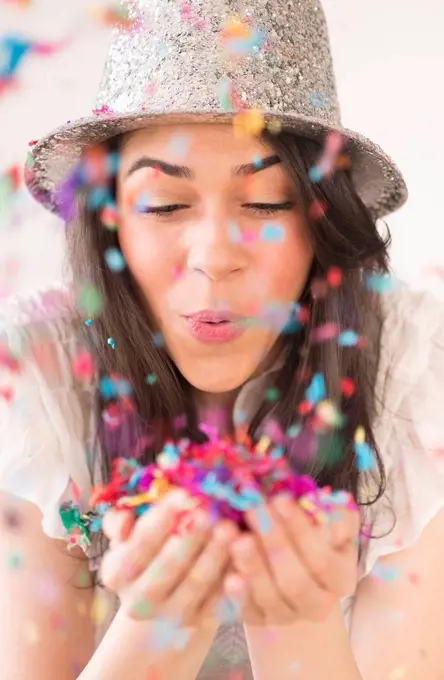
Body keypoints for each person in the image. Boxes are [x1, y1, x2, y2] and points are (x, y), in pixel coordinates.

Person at [1, 0, 444, 678]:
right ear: (109, 220)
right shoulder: (36, 377)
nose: (214, 256)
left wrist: (298, 623)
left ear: (325, 219)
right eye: (165, 205)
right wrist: (154, 630)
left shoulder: (412, 378)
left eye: (265, 203)